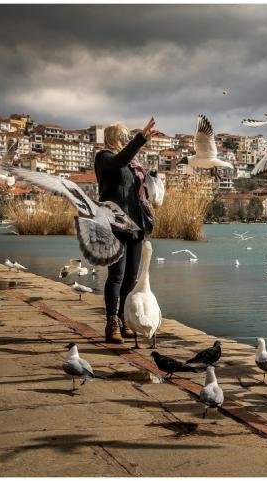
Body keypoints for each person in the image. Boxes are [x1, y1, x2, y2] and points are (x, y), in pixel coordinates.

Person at [94, 117, 156, 344]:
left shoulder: (131, 164)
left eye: (129, 136)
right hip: (115, 224)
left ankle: (123, 319)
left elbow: (135, 185)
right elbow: (120, 159)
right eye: (124, 136)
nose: (127, 139)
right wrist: (140, 139)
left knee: (131, 276)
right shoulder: (105, 158)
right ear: (114, 137)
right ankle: (111, 322)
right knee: (117, 275)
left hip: (136, 225)